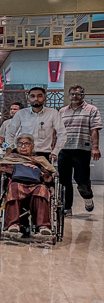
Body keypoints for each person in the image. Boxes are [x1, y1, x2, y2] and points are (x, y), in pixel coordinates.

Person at [0, 134, 56, 240]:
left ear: (32, 146)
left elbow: (51, 174)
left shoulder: (39, 159)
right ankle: (13, 224)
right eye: (20, 144)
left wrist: (39, 170)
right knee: (14, 188)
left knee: (42, 190)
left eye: (26, 144)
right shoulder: (11, 158)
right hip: (18, 184)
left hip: (36, 185)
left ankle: (43, 226)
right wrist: (15, 167)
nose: (23, 146)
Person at [58, 84, 102, 215]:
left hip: (82, 149)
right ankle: (67, 208)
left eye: (78, 94)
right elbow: (57, 131)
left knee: (81, 180)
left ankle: (87, 197)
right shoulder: (62, 111)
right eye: (72, 94)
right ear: (69, 95)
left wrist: (95, 148)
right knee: (64, 180)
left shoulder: (91, 109)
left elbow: (94, 130)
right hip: (64, 149)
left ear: (83, 95)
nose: (75, 96)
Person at [9, 87, 66, 161]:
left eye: (39, 96)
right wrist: (13, 148)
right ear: (28, 98)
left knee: (43, 173)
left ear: (45, 97)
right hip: (23, 154)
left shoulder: (53, 113)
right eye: (32, 96)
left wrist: (55, 152)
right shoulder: (21, 114)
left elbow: (62, 134)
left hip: (44, 154)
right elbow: (10, 133)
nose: (36, 99)